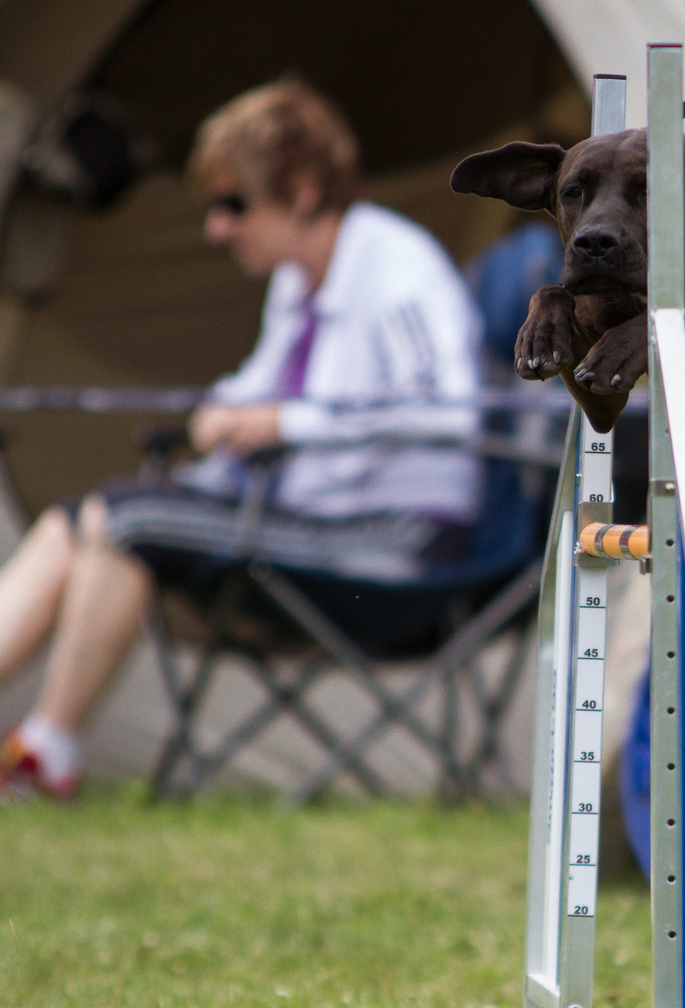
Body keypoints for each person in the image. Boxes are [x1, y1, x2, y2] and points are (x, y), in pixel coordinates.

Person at [0, 79, 483, 798]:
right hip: (308, 522)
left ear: (305, 189)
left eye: (234, 205)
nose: (217, 230)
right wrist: (226, 411)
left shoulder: (400, 270)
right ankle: (42, 749)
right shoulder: (297, 283)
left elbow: (450, 415)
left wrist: (285, 424)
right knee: (73, 522)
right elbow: (261, 384)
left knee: (129, 518)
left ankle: (50, 755)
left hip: (400, 543)